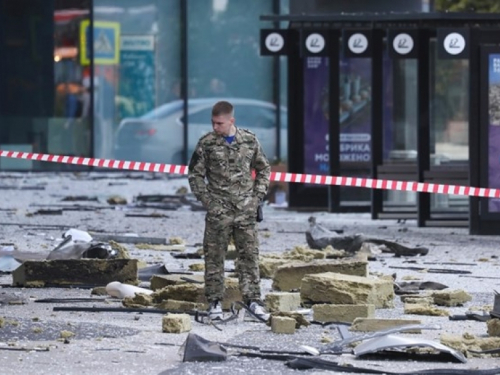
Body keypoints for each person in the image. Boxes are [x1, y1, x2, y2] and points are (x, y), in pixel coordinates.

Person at [188, 100, 271, 321]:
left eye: (220, 123)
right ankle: (214, 302)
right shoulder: (206, 144)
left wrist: (257, 197)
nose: (216, 127)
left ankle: (253, 301)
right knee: (214, 258)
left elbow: (264, 169)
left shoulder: (249, 140)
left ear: (231, 121)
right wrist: (208, 201)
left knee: (249, 257)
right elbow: (195, 175)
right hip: (219, 211)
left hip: (245, 211)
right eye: (213, 123)